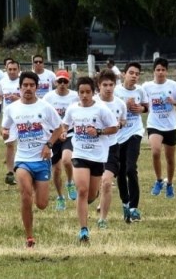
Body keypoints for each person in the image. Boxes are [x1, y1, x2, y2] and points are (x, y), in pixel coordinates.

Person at [1, 71, 63, 249]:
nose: (28, 88)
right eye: (25, 85)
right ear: (19, 88)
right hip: (22, 160)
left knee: (42, 204)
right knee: (26, 195)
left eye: (31, 85)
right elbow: (4, 129)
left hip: (42, 160)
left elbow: (59, 129)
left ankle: (37, 187)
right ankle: (29, 237)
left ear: (37, 87)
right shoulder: (12, 108)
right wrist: (4, 133)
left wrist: (49, 145)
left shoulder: (45, 107)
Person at [63, 76, 118, 243]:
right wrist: (64, 131)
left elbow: (114, 128)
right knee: (82, 190)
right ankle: (83, 230)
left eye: (88, 92)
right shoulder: (72, 109)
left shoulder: (101, 110)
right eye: (81, 92)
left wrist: (99, 132)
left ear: (93, 92)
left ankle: (92, 199)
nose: (84, 95)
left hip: (97, 156)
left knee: (91, 195)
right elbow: (65, 124)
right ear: (77, 93)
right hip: (79, 153)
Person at [143, 58, 176, 199]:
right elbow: (141, 101)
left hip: (170, 125)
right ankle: (159, 180)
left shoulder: (173, 85)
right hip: (154, 124)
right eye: (158, 70)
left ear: (166, 71)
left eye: (163, 70)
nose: (160, 72)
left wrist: (174, 102)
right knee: (155, 152)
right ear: (154, 71)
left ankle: (170, 184)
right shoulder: (147, 87)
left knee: (170, 158)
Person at [114, 62, 149, 223]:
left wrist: (140, 109)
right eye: (131, 73)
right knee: (120, 171)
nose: (134, 76)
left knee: (130, 168)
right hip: (118, 135)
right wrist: (125, 107)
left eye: (137, 73)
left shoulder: (140, 90)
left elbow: (146, 107)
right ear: (123, 74)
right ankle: (125, 203)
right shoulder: (115, 91)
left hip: (135, 132)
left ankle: (134, 208)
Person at [93, 70, 126, 229]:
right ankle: (96, 199)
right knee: (91, 188)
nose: (108, 88)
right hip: (92, 147)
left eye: (111, 85)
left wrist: (120, 124)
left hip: (112, 147)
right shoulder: (91, 102)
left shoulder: (120, 104)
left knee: (106, 182)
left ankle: (102, 220)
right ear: (98, 86)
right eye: (104, 85)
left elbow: (123, 121)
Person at [42, 70, 79, 210]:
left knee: (67, 160)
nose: (62, 84)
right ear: (55, 82)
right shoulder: (48, 97)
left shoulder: (75, 96)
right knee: (56, 170)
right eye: (59, 81)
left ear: (69, 82)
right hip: (54, 135)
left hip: (70, 134)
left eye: (65, 81)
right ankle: (60, 197)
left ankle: (70, 183)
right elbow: (44, 117)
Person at [0, 60, 21, 185]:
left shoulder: (23, 81)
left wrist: (18, 98)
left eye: (15, 69)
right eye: (10, 69)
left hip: (22, 116)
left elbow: (31, 97)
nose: (12, 72)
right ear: (6, 69)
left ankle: (26, 170)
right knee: (9, 144)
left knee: (23, 144)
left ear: (19, 70)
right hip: (8, 118)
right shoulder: (3, 82)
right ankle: (10, 173)